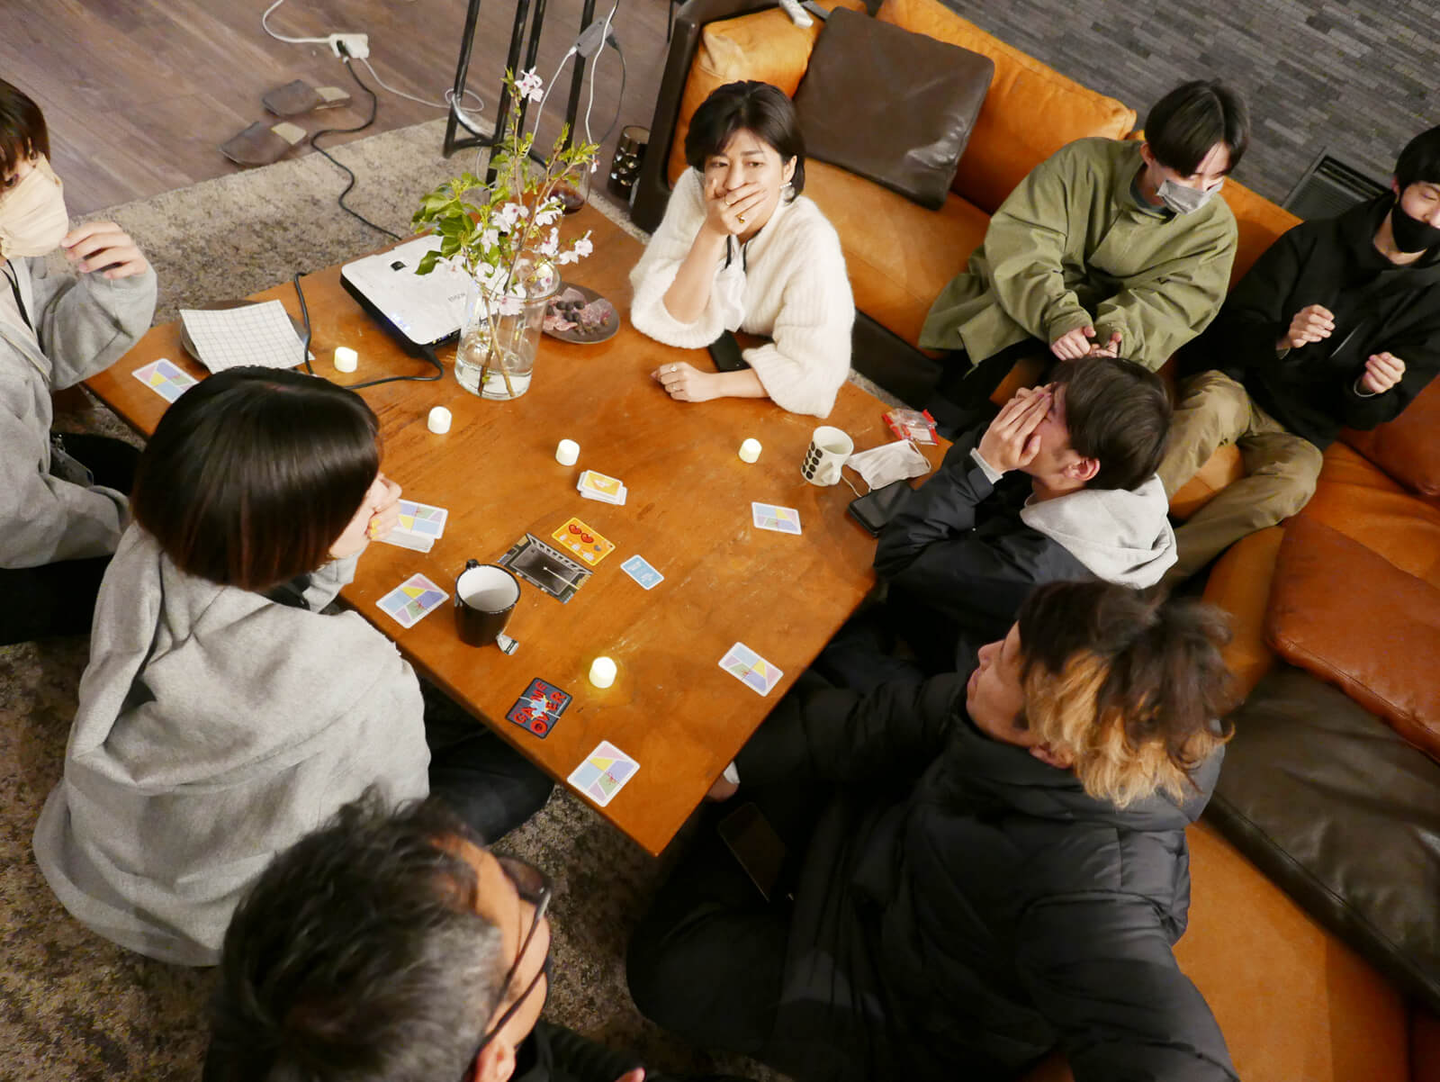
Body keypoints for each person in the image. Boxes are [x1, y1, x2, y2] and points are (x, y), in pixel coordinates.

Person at [32, 367, 553, 966]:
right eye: (366, 491)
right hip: (237, 912)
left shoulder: (151, 543)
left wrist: (334, 545)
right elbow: (392, 820)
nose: (388, 493)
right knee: (525, 764)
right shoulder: (360, 677)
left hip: (117, 837)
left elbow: (269, 593)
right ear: (293, 531)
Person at [628, 580, 1239, 1082]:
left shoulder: (1093, 895)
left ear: (1052, 748)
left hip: (897, 1005)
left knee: (667, 971)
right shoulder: (1034, 713)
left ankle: (756, 848)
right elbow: (888, 718)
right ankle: (757, 835)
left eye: (1003, 663)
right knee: (791, 706)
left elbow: (1163, 1046)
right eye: (1006, 641)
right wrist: (737, 762)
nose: (984, 654)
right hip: (894, 855)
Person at [205, 793, 745, 1082]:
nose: (529, 892)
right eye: (523, 907)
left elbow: (538, 1044)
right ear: (491, 1067)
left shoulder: (268, 1043)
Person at [1157, 125, 1440, 585]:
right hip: (1239, 386)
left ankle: (1155, 576)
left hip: (1302, 433)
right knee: (1209, 407)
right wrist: (1282, 337)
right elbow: (1228, 327)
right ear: (1397, 185)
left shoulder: (1435, 308)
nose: (1435, 220)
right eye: (1429, 197)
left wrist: (1368, 389)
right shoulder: (1313, 241)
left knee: (1294, 484)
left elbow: (1372, 415)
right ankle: (1109, 525)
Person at [821, 356, 1174, 692]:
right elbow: (963, 476)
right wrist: (988, 458)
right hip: (938, 601)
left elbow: (899, 557)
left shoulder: (1035, 570)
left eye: (1048, 409)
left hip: (945, 674)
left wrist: (984, 467)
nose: (1027, 400)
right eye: (1045, 391)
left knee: (819, 639)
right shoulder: (1082, 479)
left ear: (1081, 466)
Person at [919, 80, 1248, 431]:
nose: (1202, 191)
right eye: (1188, 175)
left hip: (1112, 328)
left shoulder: (1216, 232)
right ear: (1149, 154)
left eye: (1217, 177)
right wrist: (1059, 315)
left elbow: (1174, 308)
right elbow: (1026, 238)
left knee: (1085, 383)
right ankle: (932, 427)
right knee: (998, 322)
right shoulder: (1084, 161)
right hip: (1042, 290)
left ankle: (1011, 462)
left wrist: (1116, 341)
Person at [0, 77, 157, 645]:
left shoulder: (8, 251)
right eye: (13, 180)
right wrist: (131, 528)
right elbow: (13, 523)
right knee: (149, 577)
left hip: (14, 473)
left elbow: (41, 353)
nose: (42, 180)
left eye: (35, 156)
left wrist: (117, 288)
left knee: (135, 469)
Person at [630, 80, 854, 417]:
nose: (733, 183)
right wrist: (712, 232)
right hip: (700, 348)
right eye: (719, 163)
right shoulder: (697, 188)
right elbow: (665, 315)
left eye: (754, 164)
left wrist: (715, 385)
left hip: (747, 379)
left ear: (788, 169)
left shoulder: (812, 241)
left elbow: (817, 375)